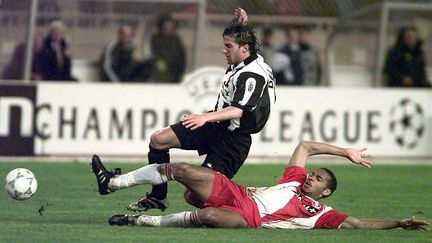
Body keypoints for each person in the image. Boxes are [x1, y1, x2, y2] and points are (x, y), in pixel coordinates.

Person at [95, 8, 276, 213]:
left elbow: (238, 110)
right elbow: (249, 47)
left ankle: (246, 206)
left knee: (194, 196)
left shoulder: (252, 74)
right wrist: (243, 27)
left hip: (234, 142)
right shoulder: (249, 58)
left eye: (228, 46)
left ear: (244, 48)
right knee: (159, 140)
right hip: (217, 127)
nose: (224, 50)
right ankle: (158, 197)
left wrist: (204, 117)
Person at [91, 141, 429, 230]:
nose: (312, 176)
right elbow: (306, 146)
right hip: (238, 193)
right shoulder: (294, 179)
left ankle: (145, 221)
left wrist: (398, 222)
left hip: (250, 218)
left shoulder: (320, 213)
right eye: (315, 173)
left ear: (325, 193)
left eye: (320, 179)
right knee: (180, 170)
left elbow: (358, 224)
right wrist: (346, 153)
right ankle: (114, 183)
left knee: (209, 218)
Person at [149, 14, 186, 83]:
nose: (168, 29)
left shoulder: (176, 39)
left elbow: (182, 56)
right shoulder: (156, 38)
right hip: (161, 73)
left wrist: (180, 71)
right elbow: (155, 53)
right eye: (166, 27)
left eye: (171, 27)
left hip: (174, 72)